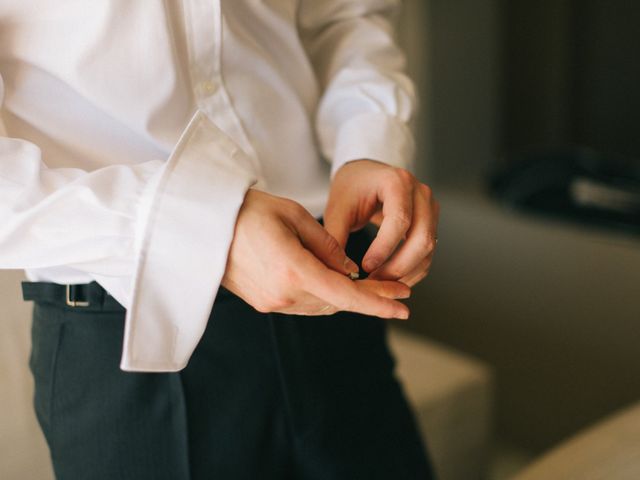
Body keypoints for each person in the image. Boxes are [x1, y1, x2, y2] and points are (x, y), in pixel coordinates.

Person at [0, 1, 439, 479]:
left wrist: (367, 141)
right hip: (129, 338)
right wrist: (201, 225)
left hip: (333, 286)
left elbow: (342, 15)